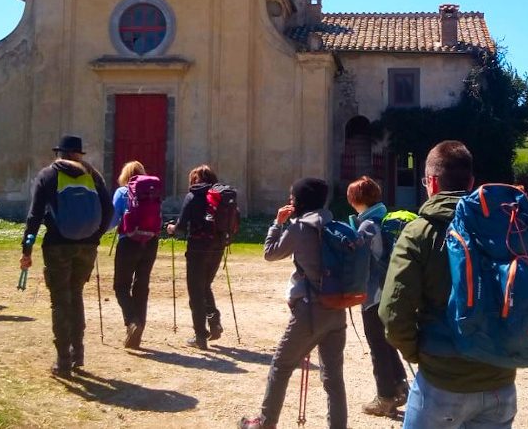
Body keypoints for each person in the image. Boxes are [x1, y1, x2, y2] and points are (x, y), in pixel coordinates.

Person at [379, 140, 517, 429]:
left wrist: (420, 353)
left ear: (431, 182)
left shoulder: (420, 232)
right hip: (500, 382)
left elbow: (393, 312)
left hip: (442, 381)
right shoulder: (505, 228)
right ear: (471, 182)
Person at [239, 177, 348, 429]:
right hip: (337, 308)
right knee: (334, 377)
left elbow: (270, 252)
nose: (290, 200)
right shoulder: (335, 224)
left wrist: (277, 224)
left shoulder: (299, 227)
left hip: (309, 310)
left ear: (301, 201)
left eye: (293, 197)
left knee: (281, 364)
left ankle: (265, 424)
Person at [19, 135, 113, 378]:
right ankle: (78, 353)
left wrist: (26, 250)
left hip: (57, 245)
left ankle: (63, 361)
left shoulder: (48, 175)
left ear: (59, 153)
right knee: (77, 294)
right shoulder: (92, 175)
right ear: (78, 154)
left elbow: (34, 216)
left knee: (60, 300)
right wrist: (95, 235)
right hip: (87, 246)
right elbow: (109, 210)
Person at [346, 176, 408, 416]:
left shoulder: (367, 225)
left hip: (374, 294)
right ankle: (400, 386)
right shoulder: (383, 218)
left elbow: (362, 263)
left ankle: (385, 397)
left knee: (377, 347)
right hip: (389, 291)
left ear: (356, 199)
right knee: (386, 342)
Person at [166, 164, 225, 349]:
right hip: (218, 247)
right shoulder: (222, 196)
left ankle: (200, 335)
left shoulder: (193, 195)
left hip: (198, 248)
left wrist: (170, 228)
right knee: (205, 285)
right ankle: (214, 323)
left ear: (195, 180)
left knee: (196, 292)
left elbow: (181, 226)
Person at [108, 160, 159, 349]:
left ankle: (132, 321)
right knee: (142, 286)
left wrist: (95, 232)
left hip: (128, 242)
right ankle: (137, 334)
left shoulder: (122, 192)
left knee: (121, 286)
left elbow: (113, 220)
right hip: (151, 242)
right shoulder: (153, 193)